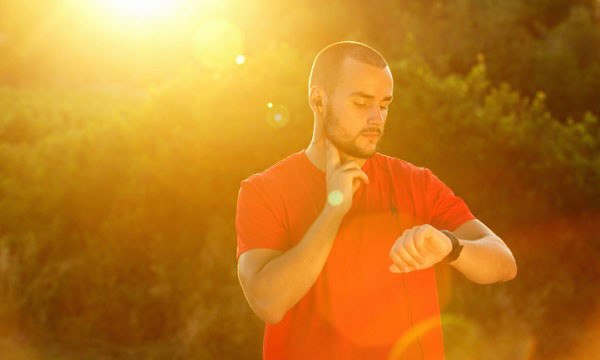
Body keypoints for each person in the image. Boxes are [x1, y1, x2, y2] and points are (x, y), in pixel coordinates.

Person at [235, 40, 517, 360]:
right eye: (361, 103)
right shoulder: (264, 190)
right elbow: (268, 303)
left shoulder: (417, 182)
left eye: (384, 104)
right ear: (318, 100)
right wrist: (334, 209)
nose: (377, 118)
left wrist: (450, 246)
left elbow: (503, 263)